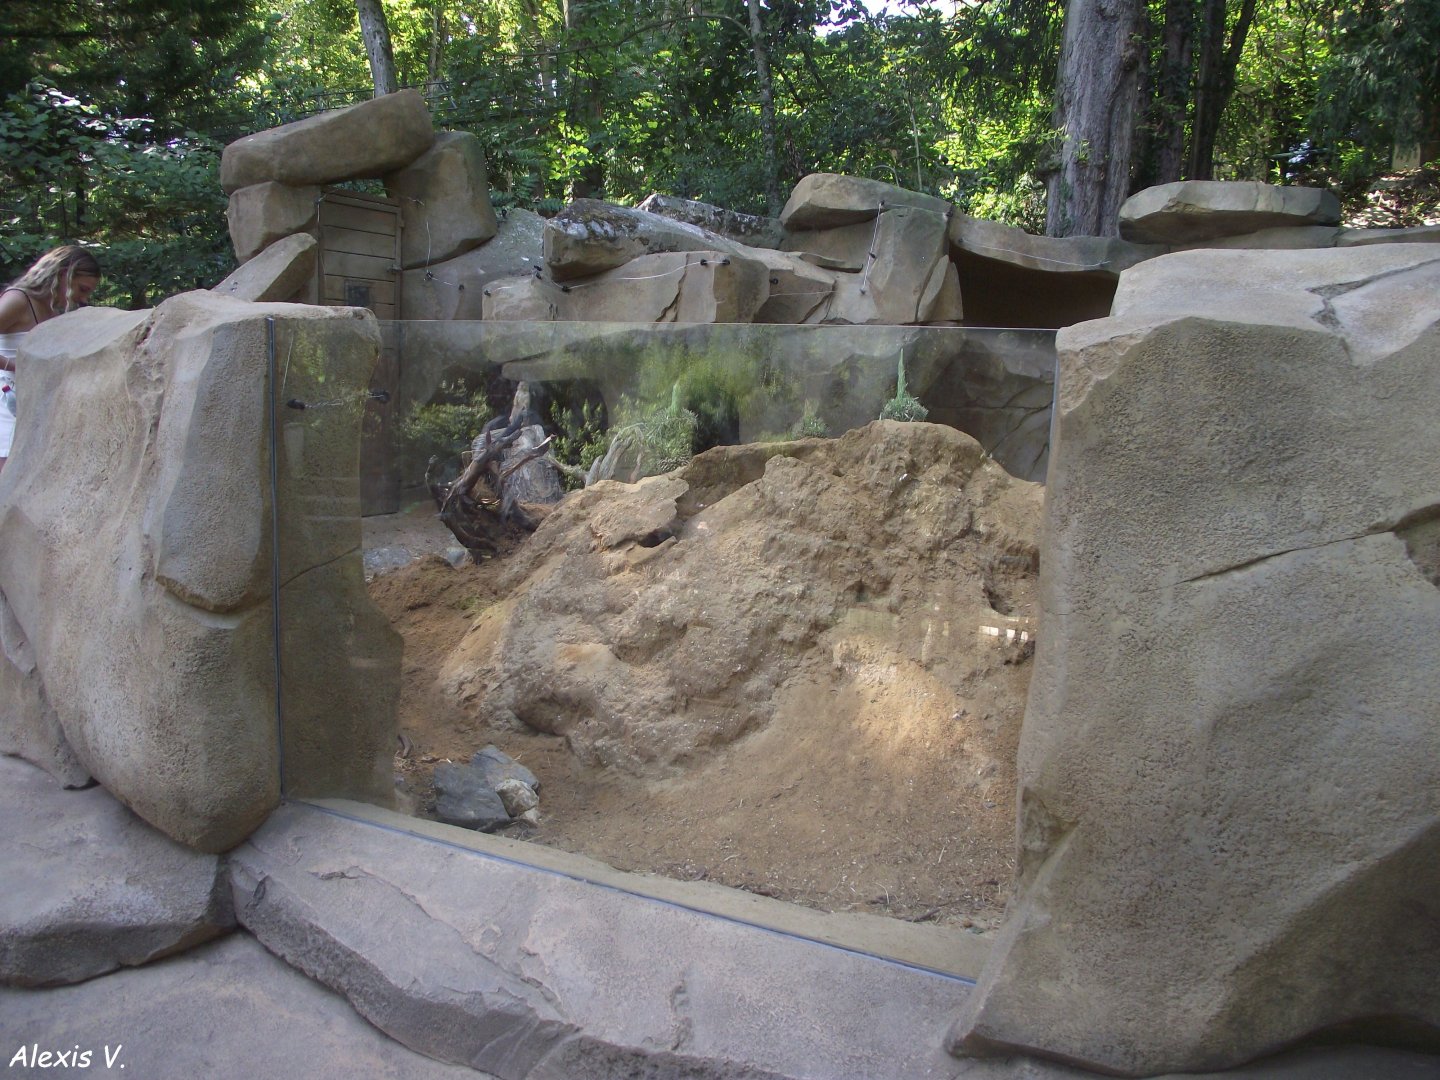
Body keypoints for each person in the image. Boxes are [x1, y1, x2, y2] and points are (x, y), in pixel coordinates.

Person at [0, 245, 102, 471]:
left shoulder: (54, 309)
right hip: (6, 402)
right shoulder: (18, 300)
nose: (83, 298)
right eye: (82, 288)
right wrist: (15, 366)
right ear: (63, 273)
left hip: (32, 403)